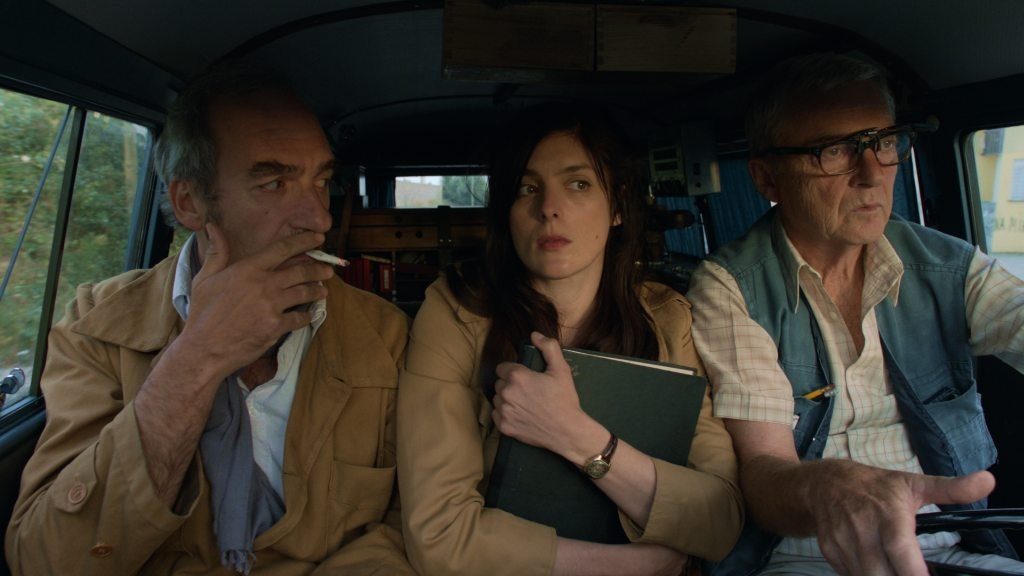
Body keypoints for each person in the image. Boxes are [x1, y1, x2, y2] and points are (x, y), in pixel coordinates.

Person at [5, 63, 414, 575]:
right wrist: (197, 356)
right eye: (274, 183)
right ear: (190, 202)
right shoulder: (98, 325)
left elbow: (412, 528)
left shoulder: (384, 333)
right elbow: (47, 561)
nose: (319, 218)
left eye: (321, 181)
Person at [688, 52, 1024, 575]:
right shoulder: (732, 286)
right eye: (835, 150)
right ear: (767, 179)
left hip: (953, 546)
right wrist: (832, 488)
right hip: (807, 558)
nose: (872, 174)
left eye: (883, 142)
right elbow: (763, 473)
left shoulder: (947, 266)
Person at [397, 103, 744, 576]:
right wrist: (633, 566)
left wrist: (574, 435)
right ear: (507, 212)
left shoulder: (667, 320)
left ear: (618, 206)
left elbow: (720, 520)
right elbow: (439, 536)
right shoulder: (457, 311)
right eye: (527, 188)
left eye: (578, 184)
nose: (549, 208)